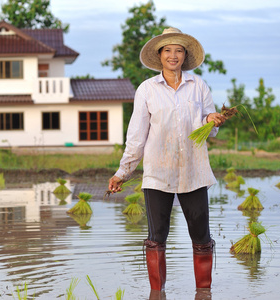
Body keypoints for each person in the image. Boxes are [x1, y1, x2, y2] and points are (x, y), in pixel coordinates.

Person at [108, 27, 227, 292]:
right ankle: (156, 293)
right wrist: (122, 173)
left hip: (194, 172)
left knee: (201, 238)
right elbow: (137, 136)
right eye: (168, 50)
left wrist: (211, 119)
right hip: (157, 173)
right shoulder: (147, 90)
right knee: (156, 238)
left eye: (179, 50)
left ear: (185, 56)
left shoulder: (199, 87)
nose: (173, 55)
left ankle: (203, 293)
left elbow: (211, 123)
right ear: (160, 55)